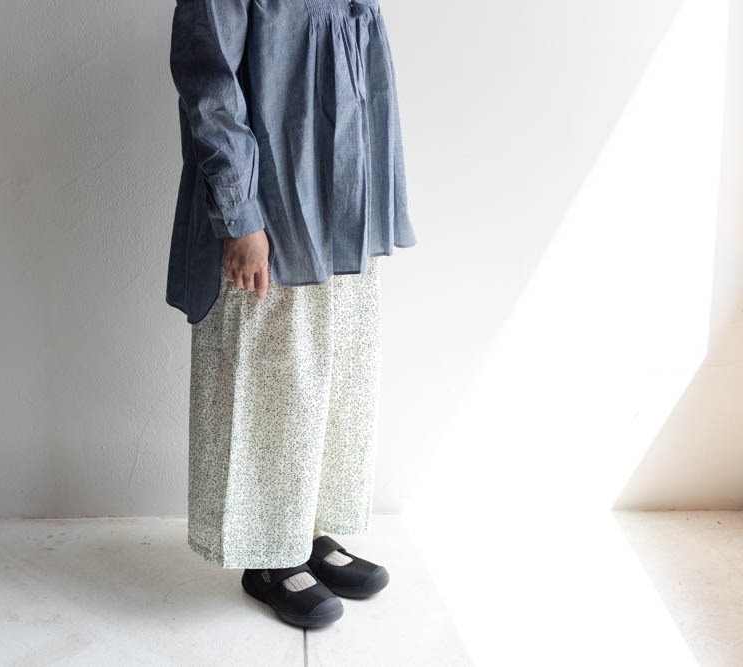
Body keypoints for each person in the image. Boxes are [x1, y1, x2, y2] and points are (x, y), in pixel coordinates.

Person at [166, 0, 416, 628]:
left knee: (332, 374)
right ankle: (267, 555)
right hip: (270, 205)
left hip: (342, 197)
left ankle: (306, 530)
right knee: (272, 379)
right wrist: (240, 216)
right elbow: (210, 88)